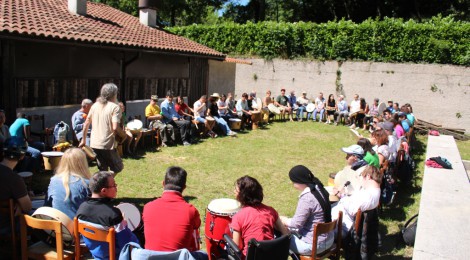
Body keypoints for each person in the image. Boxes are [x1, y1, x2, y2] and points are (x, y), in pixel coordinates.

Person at [143, 166, 208, 260]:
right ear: (184, 187)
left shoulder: (147, 207)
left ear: (163, 184)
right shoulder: (191, 211)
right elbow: (196, 226)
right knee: (204, 255)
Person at [76, 171, 139, 259]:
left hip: (96, 255)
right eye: (114, 185)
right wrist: (123, 224)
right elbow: (127, 245)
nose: (116, 188)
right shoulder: (113, 215)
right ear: (104, 191)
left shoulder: (81, 209)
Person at [230, 175, 289, 259]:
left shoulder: (238, 216)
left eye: (236, 190)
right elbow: (285, 233)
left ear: (242, 195)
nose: (234, 192)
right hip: (271, 256)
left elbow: (236, 246)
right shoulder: (270, 211)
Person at [280, 165, 334, 256]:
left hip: (313, 245)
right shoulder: (319, 188)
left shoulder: (307, 198)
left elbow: (296, 224)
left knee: (279, 237)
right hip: (329, 240)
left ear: (298, 181)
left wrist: (282, 219)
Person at [79, 83, 124, 174]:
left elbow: (86, 123)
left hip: (95, 143)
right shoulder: (115, 107)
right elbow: (115, 128)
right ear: (114, 94)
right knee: (118, 167)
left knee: (102, 169)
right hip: (107, 144)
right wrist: (124, 135)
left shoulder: (95, 105)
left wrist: (83, 140)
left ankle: (100, 184)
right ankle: (100, 182)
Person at [331, 165, 381, 237]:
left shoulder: (368, 196)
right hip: (341, 220)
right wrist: (344, 194)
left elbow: (352, 210)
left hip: (342, 226)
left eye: (362, 176)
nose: (361, 180)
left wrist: (342, 197)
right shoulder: (374, 190)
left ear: (368, 176)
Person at [45, 148, 91, 219]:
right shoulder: (86, 184)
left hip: (57, 225)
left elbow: (47, 204)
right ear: (83, 163)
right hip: (78, 227)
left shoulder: (54, 180)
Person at [0, 138, 32, 219]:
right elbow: (27, 207)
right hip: (6, 226)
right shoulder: (14, 179)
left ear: (3, 152)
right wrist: (19, 203)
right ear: (22, 156)